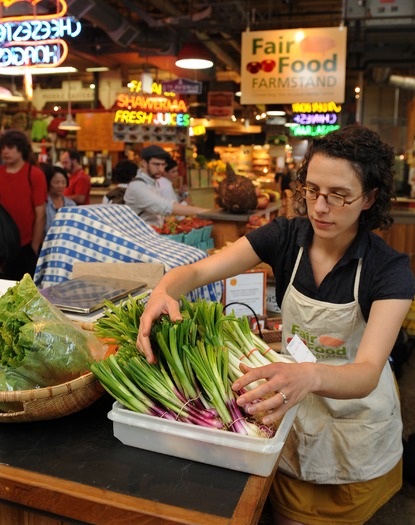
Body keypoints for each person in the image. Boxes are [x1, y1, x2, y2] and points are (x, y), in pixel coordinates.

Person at [137, 125, 415, 525]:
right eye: (312, 190)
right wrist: (166, 288)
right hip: (291, 416)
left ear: (369, 198)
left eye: (338, 195)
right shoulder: (285, 237)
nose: (320, 207)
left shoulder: (388, 269)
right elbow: (199, 272)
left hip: (354, 426)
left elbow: (368, 372)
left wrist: (308, 376)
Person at [0, 129, 47, 280]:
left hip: (26, 246)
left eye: (10, 147)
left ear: (21, 149)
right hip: (2, 246)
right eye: (3, 147)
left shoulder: (34, 174)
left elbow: (40, 214)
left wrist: (33, 248)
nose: (5, 151)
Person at [123, 145, 208, 228]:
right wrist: (205, 212)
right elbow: (167, 207)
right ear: (144, 163)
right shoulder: (138, 187)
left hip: (152, 234)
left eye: (163, 165)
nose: (161, 169)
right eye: (156, 164)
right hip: (140, 238)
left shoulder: (152, 182)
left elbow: (167, 204)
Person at [40, 163, 76, 234]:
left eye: (63, 182)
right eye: (56, 182)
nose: (60, 186)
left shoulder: (71, 204)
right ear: (48, 183)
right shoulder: (43, 203)